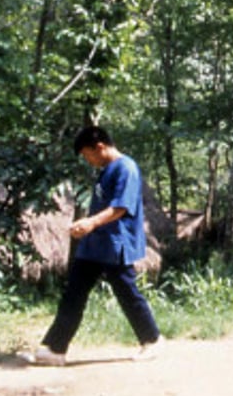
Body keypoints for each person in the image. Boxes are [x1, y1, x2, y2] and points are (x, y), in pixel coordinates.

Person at [19, 126, 162, 366]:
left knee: (127, 293)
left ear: (100, 147)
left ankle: (153, 340)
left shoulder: (126, 168)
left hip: (116, 243)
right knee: (73, 293)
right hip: (95, 244)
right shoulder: (105, 170)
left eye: (88, 155)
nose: (89, 160)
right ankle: (55, 349)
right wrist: (88, 227)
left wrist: (90, 223)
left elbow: (121, 207)